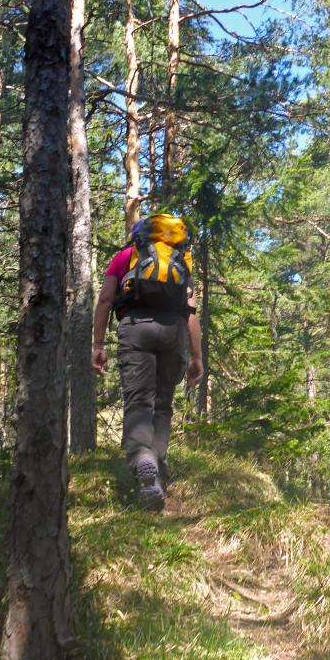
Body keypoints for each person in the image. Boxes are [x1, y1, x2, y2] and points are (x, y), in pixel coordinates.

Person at [91, 216, 203, 511]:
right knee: (163, 403)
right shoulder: (180, 262)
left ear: (137, 236)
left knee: (139, 401)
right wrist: (196, 357)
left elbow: (104, 300)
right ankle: (158, 471)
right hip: (173, 330)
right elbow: (191, 310)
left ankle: (143, 459)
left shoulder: (125, 257)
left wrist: (98, 345)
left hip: (135, 326)